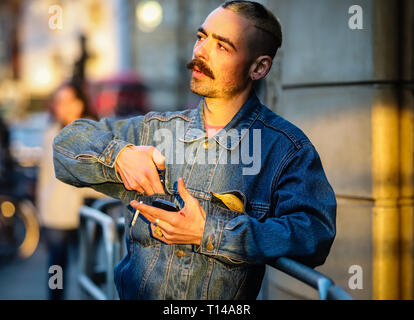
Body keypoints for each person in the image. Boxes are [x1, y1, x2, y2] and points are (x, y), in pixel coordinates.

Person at [53, 1, 337, 300]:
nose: (200, 51)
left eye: (222, 46)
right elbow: (65, 145)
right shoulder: (154, 130)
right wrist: (119, 157)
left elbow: (315, 235)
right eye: (201, 37)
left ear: (259, 67)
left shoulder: (285, 149)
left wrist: (211, 233)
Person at [37, 80, 103, 300]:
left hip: (87, 211)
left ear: (79, 103)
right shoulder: (49, 133)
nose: (62, 107)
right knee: (56, 269)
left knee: (91, 268)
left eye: (68, 101)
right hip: (56, 214)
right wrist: (41, 213)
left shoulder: (93, 132)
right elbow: (44, 177)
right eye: (58, 101)